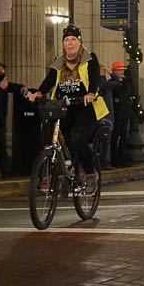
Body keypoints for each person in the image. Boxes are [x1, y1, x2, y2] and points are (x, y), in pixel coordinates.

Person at [31, 25, 109, 193]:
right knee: (56, 139)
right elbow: (50, 80)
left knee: (77, 138)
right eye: (66, 40)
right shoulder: (59, 61)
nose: (70, 43)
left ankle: (90, 173)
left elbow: (94, 79)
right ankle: (68, 170)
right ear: (63, 44)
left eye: (73, 39)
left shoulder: (89, 58)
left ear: (80, 42)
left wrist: (90, 93)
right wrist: (39, 92)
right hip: (63, 107)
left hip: (85, 107)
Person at [0, 62, 25, 178]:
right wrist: (0, 88)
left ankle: (6, 170)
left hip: (1, 120)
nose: (1, 71)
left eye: (2, 68)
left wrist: (21, 87)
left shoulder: (3, 82)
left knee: (1, 145)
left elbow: (11, 86)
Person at [106, 62, 132, 168]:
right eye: (119, 70)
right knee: (115, 137)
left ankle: (122, 158)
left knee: (123, 138)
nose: (121, 72)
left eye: (122, 70)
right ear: (114, 71)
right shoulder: (112, 83)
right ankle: (114, 159)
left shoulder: (126, 82)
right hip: (116, 114)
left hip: (125, 113)